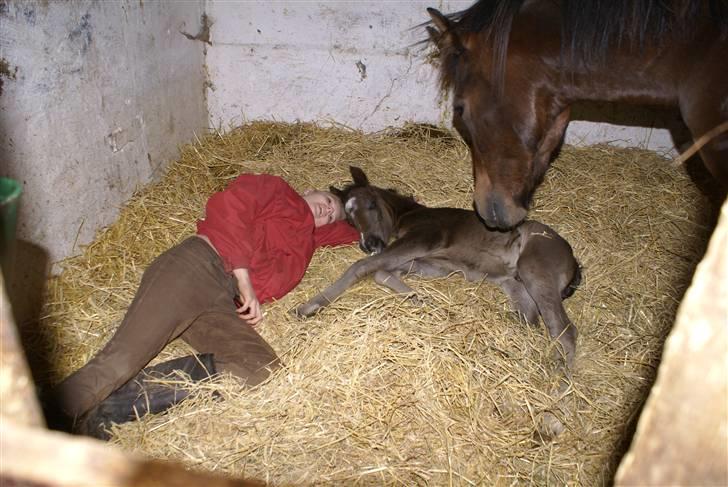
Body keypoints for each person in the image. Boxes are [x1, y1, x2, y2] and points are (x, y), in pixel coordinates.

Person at [51, 173, 359, 433]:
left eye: (331, 216)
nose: (326, 212)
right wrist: (244, 279)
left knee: (259, 368)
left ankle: (109, 407)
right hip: (195, 267)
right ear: (311, 190)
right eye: (329, 202)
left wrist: (399, 211)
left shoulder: (308, 240)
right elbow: (230, 208)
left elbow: (365, 230)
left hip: (222, 301)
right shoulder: (277, 191)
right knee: (119, 361)